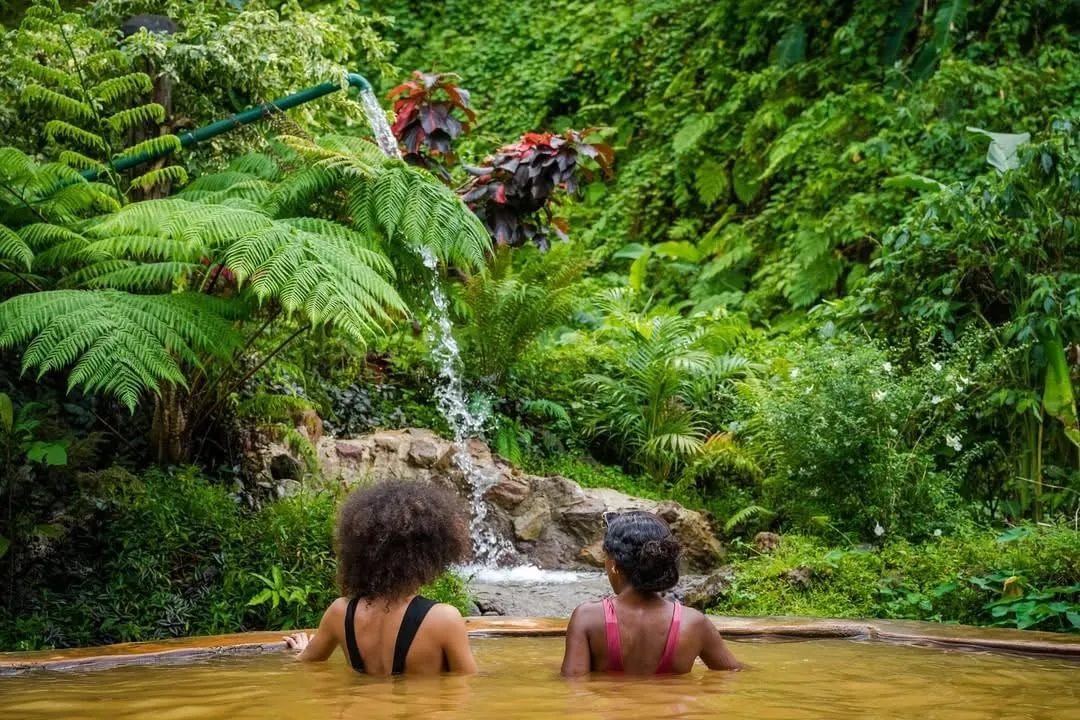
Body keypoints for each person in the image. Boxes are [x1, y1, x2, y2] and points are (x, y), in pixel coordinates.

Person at [283, 480, 478, 675]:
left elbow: (305, 661)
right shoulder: (444, 620)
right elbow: (469, 684)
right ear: (431, 552)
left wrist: (301, 650)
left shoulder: (340, 613)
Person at [561, 511, 741, 676]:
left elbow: (574, 685)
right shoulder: (694, 623)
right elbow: (734, 672)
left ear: (614, 564)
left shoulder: (588, 617)